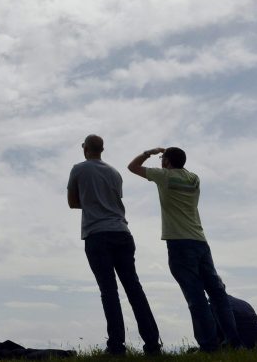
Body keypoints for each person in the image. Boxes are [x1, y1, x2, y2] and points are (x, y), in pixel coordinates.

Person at [128, 146, 241, 352]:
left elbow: (132, 167)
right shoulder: (194, 178)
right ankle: (233, 342)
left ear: (167, 161)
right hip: (200, 241)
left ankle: (209, 346)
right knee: (217, 294)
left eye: (163, 158)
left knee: (195, 297)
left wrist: (149, 153)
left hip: (179, 243)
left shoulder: (164, 177)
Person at [67, 135, 161, 356]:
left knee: (109, 292)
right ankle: (152, 345)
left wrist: (90, 202)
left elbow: (72, 203)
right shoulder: (115, 173)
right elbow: (114, 201)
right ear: (102, 149)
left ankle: (117, 346)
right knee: (134, 289)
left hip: (97, 235)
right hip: (122, 233)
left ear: (85, 148)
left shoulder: (78, 169)